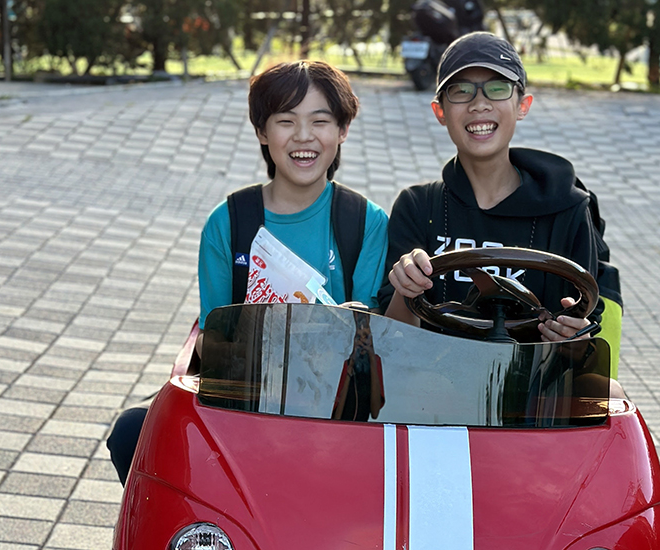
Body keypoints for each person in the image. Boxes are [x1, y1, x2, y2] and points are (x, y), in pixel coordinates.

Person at [107, 60, 389, 485]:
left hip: (334, 410)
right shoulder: (229, 221)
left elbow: (369, 332)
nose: (303, 136)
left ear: (342, 130)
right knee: (131, 432)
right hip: (245, 400)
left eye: (320, 121)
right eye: (286, 121)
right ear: (262, 132)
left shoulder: (365, 222)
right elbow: (211, 334)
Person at [378, 32, 622, 364]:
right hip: (430, 380)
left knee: (613, 392)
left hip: (536, 385)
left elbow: (582, 341)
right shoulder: (417, 206)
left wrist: (573, 336)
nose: (479, 104)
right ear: (440, 111)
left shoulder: (568, 208)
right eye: (461, 90)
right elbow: (392, 344)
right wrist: (405, 288)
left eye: (497, 88)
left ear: (523, 105)